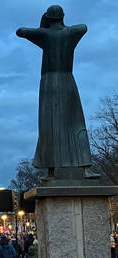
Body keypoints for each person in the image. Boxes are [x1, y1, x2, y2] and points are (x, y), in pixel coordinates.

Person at [16, 4, 100, 180]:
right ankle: (86, 169)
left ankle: (50, 171)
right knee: (76, 123)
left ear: (48, 18)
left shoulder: (44, 35)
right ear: (63, 17)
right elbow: (84, 26)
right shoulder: (72, 33)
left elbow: (21, 31)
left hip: (48, 83)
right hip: (68, 80)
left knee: (49, 127)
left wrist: (42, 24)